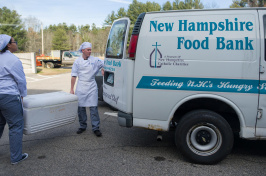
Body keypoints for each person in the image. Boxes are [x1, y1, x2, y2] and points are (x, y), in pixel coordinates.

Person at [0, 34, 28, 164]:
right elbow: (21, 81)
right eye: (14, 41)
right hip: (9, 96)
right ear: (8, 45)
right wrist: (22, 96)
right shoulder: (13, 60)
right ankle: (16, 157)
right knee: (16, 126)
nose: (16, 43)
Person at [70, 42, 104, 137]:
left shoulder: (95, 60)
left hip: (92, 86)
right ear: (83, 50)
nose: (90, 51)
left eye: (90, 49)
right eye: (88, 50)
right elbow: (73, 76)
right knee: (81, 108)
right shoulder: (77, 62)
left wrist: (103, 68)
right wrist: (72, 89)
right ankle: (82, 126)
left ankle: (96, 128)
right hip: (81, 86)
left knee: (93, 108)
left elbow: (105, 64)